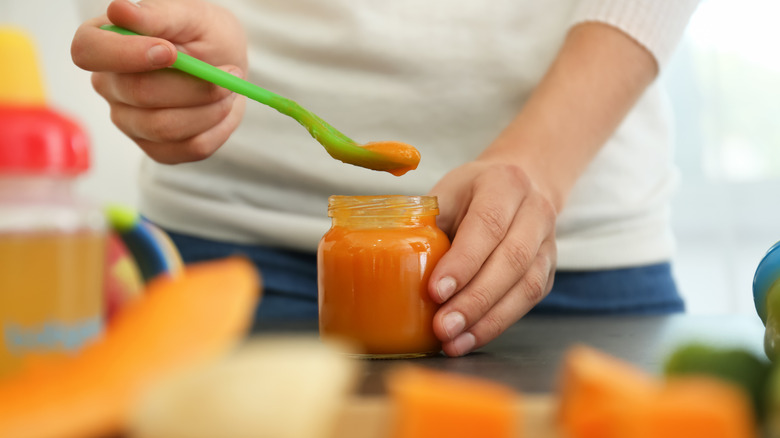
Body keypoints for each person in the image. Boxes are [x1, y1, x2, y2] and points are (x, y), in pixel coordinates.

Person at [71, 0, 700, 357]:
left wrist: (541, 161)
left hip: (580, 255)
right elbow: (136, 18)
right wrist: (168, 22)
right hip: (228, 254)